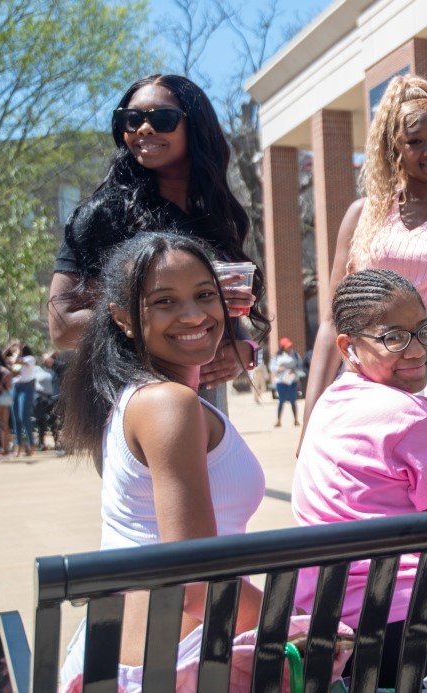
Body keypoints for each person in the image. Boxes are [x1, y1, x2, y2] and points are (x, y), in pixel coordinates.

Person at [57, 232, 266, 688]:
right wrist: (297, 622)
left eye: (205, 295)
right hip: (166, 667)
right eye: (165, 301)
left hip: (148, 653)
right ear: (123, 318)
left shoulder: (146, 396)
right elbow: (195, 583)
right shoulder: (168, 405)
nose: (193, 315)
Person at [302, 74, 427, 480]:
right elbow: (330, 322)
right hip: (362, 375)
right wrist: (310, 421)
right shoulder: (362, 215)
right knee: (362, 513)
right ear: (393, 148)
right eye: (415, 141)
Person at [291, 269, 427, 687]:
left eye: (423, 331)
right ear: (348, 346)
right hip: (424, 621)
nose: (417, 349)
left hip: (335, 629)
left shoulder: (331, 402)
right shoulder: (411, 416)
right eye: (394, 338)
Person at [47, 74, 264, 411]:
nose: (144, 129)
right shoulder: (105, 215)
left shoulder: (214, 216)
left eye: (162, 118)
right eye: (131, 119)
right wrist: (161, 311)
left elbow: (225, 317)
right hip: (136, 405)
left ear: (197, 128)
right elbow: (62, 327)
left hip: (205, 405)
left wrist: (244, 349)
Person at [10, 344, 37, 456]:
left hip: (26, 387)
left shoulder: (30, 359)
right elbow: (14, 372)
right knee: (15, 417)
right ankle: (19, 444)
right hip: (15, 387)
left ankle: (31, 444)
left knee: (23, 416)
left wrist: (17, 352)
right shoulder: (19, 359)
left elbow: (16, 360)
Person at [270, 337, 301, 427]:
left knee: (293, 400)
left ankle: (296, 420)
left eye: (290, 346)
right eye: (287, 346)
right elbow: (272, 367)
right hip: (281, 381)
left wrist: (294, 370)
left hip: (292, 380)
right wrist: (279, 369)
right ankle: (278, 420)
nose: (289, 347)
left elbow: (300, 366)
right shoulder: (277, 357)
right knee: (281, 400)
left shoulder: (295, 355)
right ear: (283, 347)